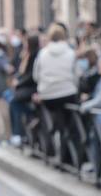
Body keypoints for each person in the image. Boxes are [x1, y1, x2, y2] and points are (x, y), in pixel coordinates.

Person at [32, 23, 78, 158]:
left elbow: (36, 75)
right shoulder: (70, 53)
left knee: (49, 123)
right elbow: (76, 75)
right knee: (70, 126)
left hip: (48, 95)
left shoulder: (42, 54)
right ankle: (67, 156)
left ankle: (49, 151)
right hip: (67, 93)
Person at [9, 33, 40, 146]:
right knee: (12, 100)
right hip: (26, 86)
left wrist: (19, 83)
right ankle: (18, 132)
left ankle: (32, 117)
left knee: (14, 101)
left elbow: (31, 75)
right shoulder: (27, 54)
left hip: (32, 87)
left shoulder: (34, 55)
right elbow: (22, 72)